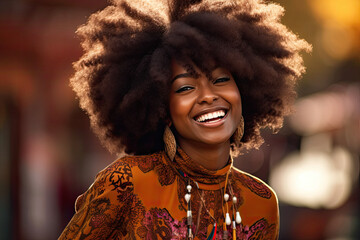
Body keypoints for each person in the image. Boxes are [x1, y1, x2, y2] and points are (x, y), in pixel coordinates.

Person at [59, 0, 310, 239]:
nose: (208, 96)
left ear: (243, 92)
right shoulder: (127, 182)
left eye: (221, 80)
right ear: (163, 110)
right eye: (185, 88)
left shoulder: (262, 203)